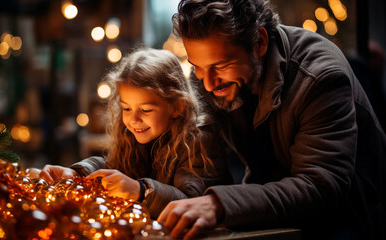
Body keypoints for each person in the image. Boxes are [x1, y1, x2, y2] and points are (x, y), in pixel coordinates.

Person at [157, 0, 386, 240]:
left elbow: (320, 188)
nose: (207, 83)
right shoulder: (208, 77)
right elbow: (201, 163)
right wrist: (148, 191)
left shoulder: (320, 76)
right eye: (198, 68)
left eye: (221, 66)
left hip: (346, 220)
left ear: (260, 42)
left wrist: (218, 204)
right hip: (274, 213)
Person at [39, 47, 231, 218]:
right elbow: (115, 169)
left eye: (146, 110)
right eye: (126, 108)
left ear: (177, 107)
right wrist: (77, 174)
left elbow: (191, 203)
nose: (133, 119)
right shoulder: (133, 134)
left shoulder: (199, 140)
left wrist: (141, 191)